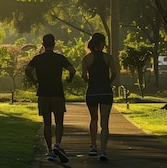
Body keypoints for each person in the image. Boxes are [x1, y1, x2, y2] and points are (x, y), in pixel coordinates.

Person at [25, 34, 77, 163]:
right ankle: (57, 144)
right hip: (57, 92)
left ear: (43, 44)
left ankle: (49, 151)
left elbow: (27, 70)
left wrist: (34, 80)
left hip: (43, 93)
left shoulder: (38, 59)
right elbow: (72, 70)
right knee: (59, 121)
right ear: (54, 44)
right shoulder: (59, 58)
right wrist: (69, 79)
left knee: (47, 123)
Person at [81, 32, 118, 161]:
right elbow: (114, 73)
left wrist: (91, 82)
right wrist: (108, 82)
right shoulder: (108, 58)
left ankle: (92, 146)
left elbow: (84, 76)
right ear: (102, 44)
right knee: (104, 123)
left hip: (92, 92)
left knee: (93, 119)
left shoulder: (87, 59)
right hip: (106, 92)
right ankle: (103, 151)